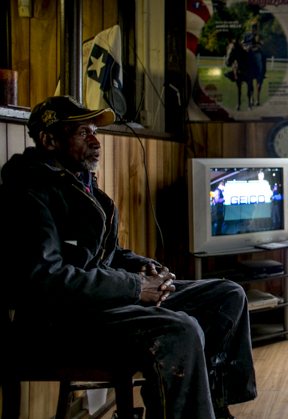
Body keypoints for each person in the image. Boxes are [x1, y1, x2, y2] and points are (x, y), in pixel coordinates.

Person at [0, 96, 256, 419]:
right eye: (83, 133)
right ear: (50, 139)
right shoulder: (29, 193)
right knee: (182, 330)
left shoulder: (77, 181)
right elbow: (46, 280)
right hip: (62, 321)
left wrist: (143, 266)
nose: (96, 141)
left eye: (95, 131)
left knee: (228, 296)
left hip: (105, 300)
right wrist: (137, 287)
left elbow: (106, 252)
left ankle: (213, 410)